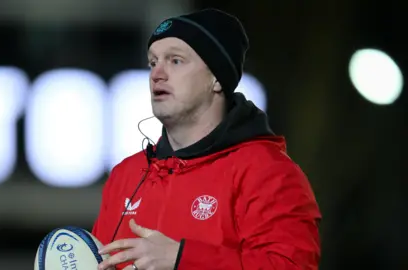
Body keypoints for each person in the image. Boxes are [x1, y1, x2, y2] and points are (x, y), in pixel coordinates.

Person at [93, 8, 321, 270]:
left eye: (175, 61)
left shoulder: (268, 173)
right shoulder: (127, 175)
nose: (157, 74)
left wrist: (181, 259)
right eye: (153, 62)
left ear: (216, 78)